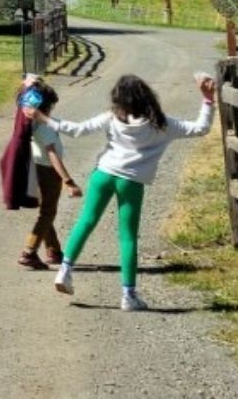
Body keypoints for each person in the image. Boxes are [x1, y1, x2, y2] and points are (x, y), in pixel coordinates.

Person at [26, 73, 215, 311]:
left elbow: (76, 130)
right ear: (147, 97)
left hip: (103, 175)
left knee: (85, 222)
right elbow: (201, 128)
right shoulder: (162, 124)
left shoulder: (112, 118)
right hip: (131, 183)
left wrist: (42, 117)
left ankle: (64, 272)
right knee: (127, 237)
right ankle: (128, 295)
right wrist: (208, 99)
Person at [14, 75, 82, 270]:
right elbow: (53, 155)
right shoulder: (44, 126)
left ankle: (53, 250)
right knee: (47, 213)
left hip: (36, 168)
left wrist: (28, 84)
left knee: (47, 211)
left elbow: (22, 96)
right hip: (48, 172)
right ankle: (29, 252)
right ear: (46, 106)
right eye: (51, 105)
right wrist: (68, 181)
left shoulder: (29, 118)